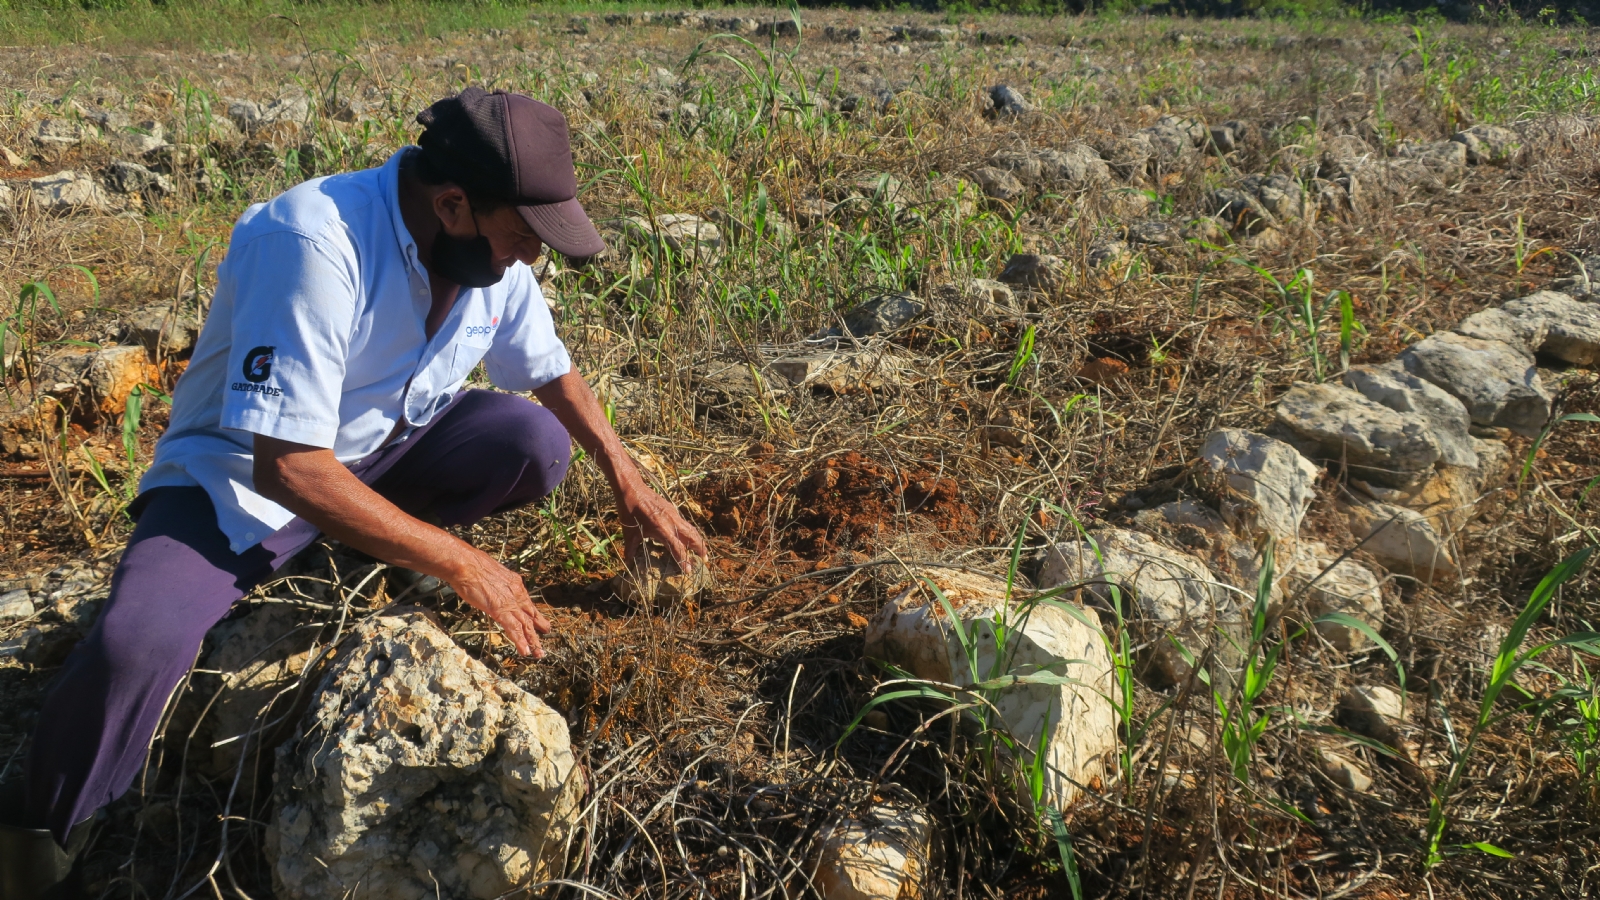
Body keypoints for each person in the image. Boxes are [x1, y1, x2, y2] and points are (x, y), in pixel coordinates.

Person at [0, 87, 706, 898]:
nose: (528, 260)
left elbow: (545, 366)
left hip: (378, 453)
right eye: (520, 240)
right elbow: (289, 467)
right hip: (242, 482)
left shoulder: (488, 249)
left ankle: (354, 546)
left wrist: (628, 477)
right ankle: (35, 850)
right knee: (136, 646)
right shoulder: (311, 240)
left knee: (533, 445)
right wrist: (458, 562)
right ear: (452, 204)